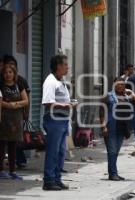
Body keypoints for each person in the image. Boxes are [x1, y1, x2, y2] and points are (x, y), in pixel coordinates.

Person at [42, 55, 74, 191]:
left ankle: (56, 178)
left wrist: (70, 103)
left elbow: (61, 99)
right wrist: (66, 105)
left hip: (62, 121)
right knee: (53, 151)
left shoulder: (61, 81)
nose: (67, 67)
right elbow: (48, 102)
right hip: (54, 120)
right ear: (58, 66)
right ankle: (48, 181)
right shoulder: (50, 81)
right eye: (65, 64)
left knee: (61, 152)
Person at [100, 78, 135, 181]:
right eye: (118, 84)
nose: (121, 86)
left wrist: (131, 91)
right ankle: (113, 174)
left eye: (123, 85)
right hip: (111, 127)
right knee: (112, 151)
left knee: (116, 151)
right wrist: (103, 126)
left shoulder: (126, 96)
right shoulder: (108, 96)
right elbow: (102, 112)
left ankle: (114, 172)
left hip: (122, 127)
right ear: (114, 85)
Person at [0, 63, 29, 180]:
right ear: (3, 74)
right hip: (4, 118)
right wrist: (8, 105)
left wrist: (16, 104)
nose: (8, 75)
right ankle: (1, 170)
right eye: (6, 72)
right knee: (1, 145)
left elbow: (26, 100)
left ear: (14, 73)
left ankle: (12, 171)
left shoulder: (19, 84)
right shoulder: (1, 85)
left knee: (13, 146)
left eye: (10, 72)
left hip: (16, 119)